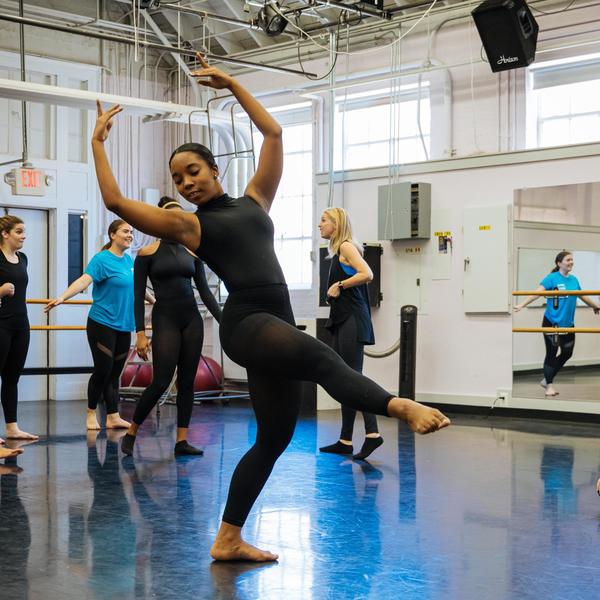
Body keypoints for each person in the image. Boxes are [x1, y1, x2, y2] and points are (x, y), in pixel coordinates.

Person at [91, 54, 450, 562]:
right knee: (327, 361)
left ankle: (228, 537)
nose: (187, 183)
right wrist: (98, 146)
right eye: (178, 179)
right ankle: (398, 407)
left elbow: (275, 135)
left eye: (193, 171)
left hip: (273, 321)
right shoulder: (193, 226)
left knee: (274, 438)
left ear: (215, 169)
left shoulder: (256, 200)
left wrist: (234, 83)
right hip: (246, 322)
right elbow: (115, 203)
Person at [121, 196, 222, 457]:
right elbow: (137, 295)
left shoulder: (192, 253)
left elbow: (206, 294)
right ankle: (132, 431)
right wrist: (140, 334)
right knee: (161, 381)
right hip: (164, 319)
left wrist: (225, 320)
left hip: (191, 320)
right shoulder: (146, 254)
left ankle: (181, 441)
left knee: (187, 382)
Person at [45, 220, 136, 430]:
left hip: (124, 324)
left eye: (131, 231)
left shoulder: (129, 261)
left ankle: (113, 416)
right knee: (103, 370)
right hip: (102, 323)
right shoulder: (101, 260)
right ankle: (90, 412)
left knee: (115, 373)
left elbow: (135, 287)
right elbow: (84, 281)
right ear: (112, 235)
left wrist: (154, 300)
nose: (130, 235)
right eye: (125, 231)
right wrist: (62, 297)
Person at [318, 208, 383, 460]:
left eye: (324, 221)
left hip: (353, 321)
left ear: (337, 224)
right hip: (343, 320)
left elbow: (367, 274)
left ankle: (373, 434)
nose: (319, 225)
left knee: (353, 378)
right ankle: (345, 440)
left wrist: (339, 285)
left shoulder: (346, 247)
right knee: (346, 378)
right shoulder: (337, 251)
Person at [514, 251, 599, 397]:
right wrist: (521, 304)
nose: (571, 262)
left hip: (568, 324)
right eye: (568, 260)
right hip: (552, 323)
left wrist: (595, 306)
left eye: (572, 260)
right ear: (559, 263)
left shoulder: (574, 280)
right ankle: (549, 386)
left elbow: (582, 295)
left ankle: (547, 378)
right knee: (551, 354)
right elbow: (537, 293)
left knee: (567, 353)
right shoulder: (552, 278)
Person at [0, 215, 39, 444]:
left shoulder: (23, 258)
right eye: (19, 232)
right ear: (5, 234)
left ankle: (12, 427)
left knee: (12, 377)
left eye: (24, 231)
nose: (24, 236)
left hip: (20, 324)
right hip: (1, 324)